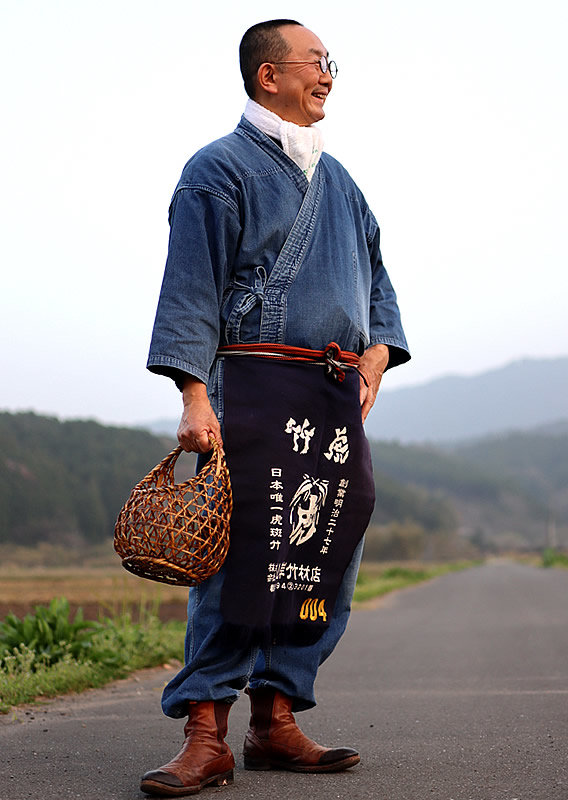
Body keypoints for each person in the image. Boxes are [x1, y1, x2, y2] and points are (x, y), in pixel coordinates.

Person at [142, 19, 410, 797]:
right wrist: (194, 391)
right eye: (317, 63)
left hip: (329, 397)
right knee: (239, 556)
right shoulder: (216, 170)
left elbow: (380, 284)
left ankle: (277, 717)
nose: (329, 74)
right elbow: (190, 287)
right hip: (252, 385)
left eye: (332, 63)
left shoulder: (343, 182)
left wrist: (377, 351)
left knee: (327, 544)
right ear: (269, 76)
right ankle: (205, 731)